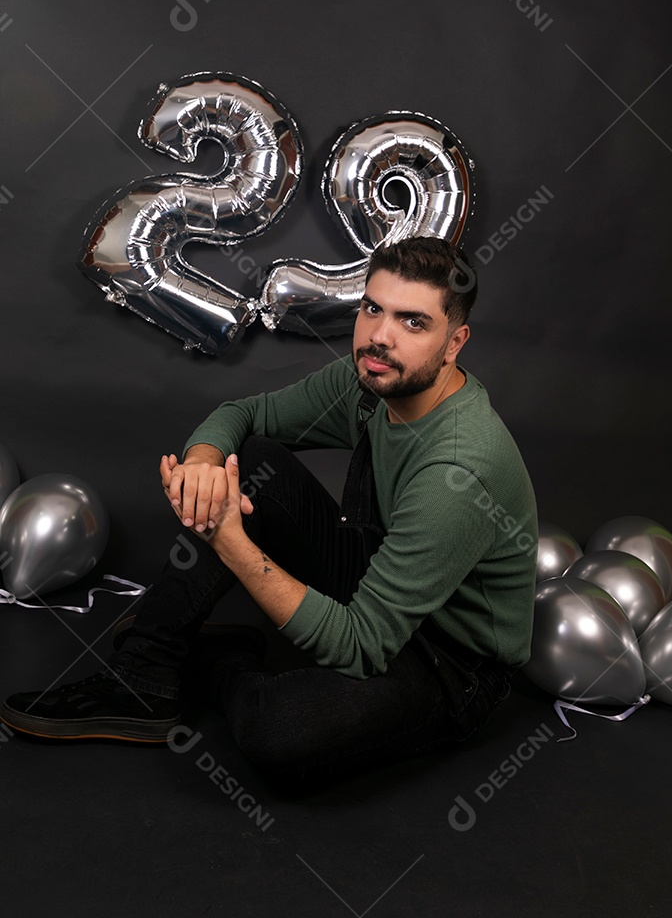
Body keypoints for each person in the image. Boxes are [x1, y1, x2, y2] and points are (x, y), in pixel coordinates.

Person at [1, 237, 537, 786]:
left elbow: (361, 644)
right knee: (252, 461)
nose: (380, 336)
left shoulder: (458, 468)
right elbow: (246, 414)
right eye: (373, 308)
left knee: (277, 730)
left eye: (413, 322)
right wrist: (204, 466)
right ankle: (143, 675)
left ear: (454, 342)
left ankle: (213, 659)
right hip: (378, 575)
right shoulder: (371, 382)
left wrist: (228, 537)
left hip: (449, 662)